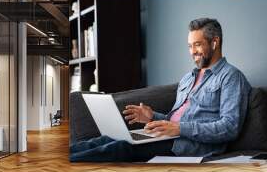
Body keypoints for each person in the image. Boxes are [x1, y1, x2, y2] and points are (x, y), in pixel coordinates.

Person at [70, 18, 251, 162]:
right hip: (168, 136)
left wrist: (179, 129)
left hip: (189, 146)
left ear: (215, 42)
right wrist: (153, 117)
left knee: (118, 148)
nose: (192, 51)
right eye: (189, 46)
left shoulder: (231, 77)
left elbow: (229, 127)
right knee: (102, 140)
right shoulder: (188, 78)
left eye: (197, 44)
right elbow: (174, 122)